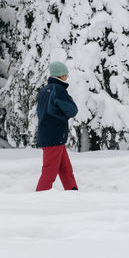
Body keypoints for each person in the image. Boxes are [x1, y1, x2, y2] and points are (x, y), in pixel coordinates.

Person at [36, 61, 79, 191]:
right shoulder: (58, 89)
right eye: (66, 74)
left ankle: (73, 192)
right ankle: (39, 197)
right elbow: (72, 110)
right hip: (54, 135)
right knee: (49, 172)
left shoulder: (44, 90)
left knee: (65, 169)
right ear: (61, 75)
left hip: (50, 135)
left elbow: (42, 112)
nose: (67, 76)